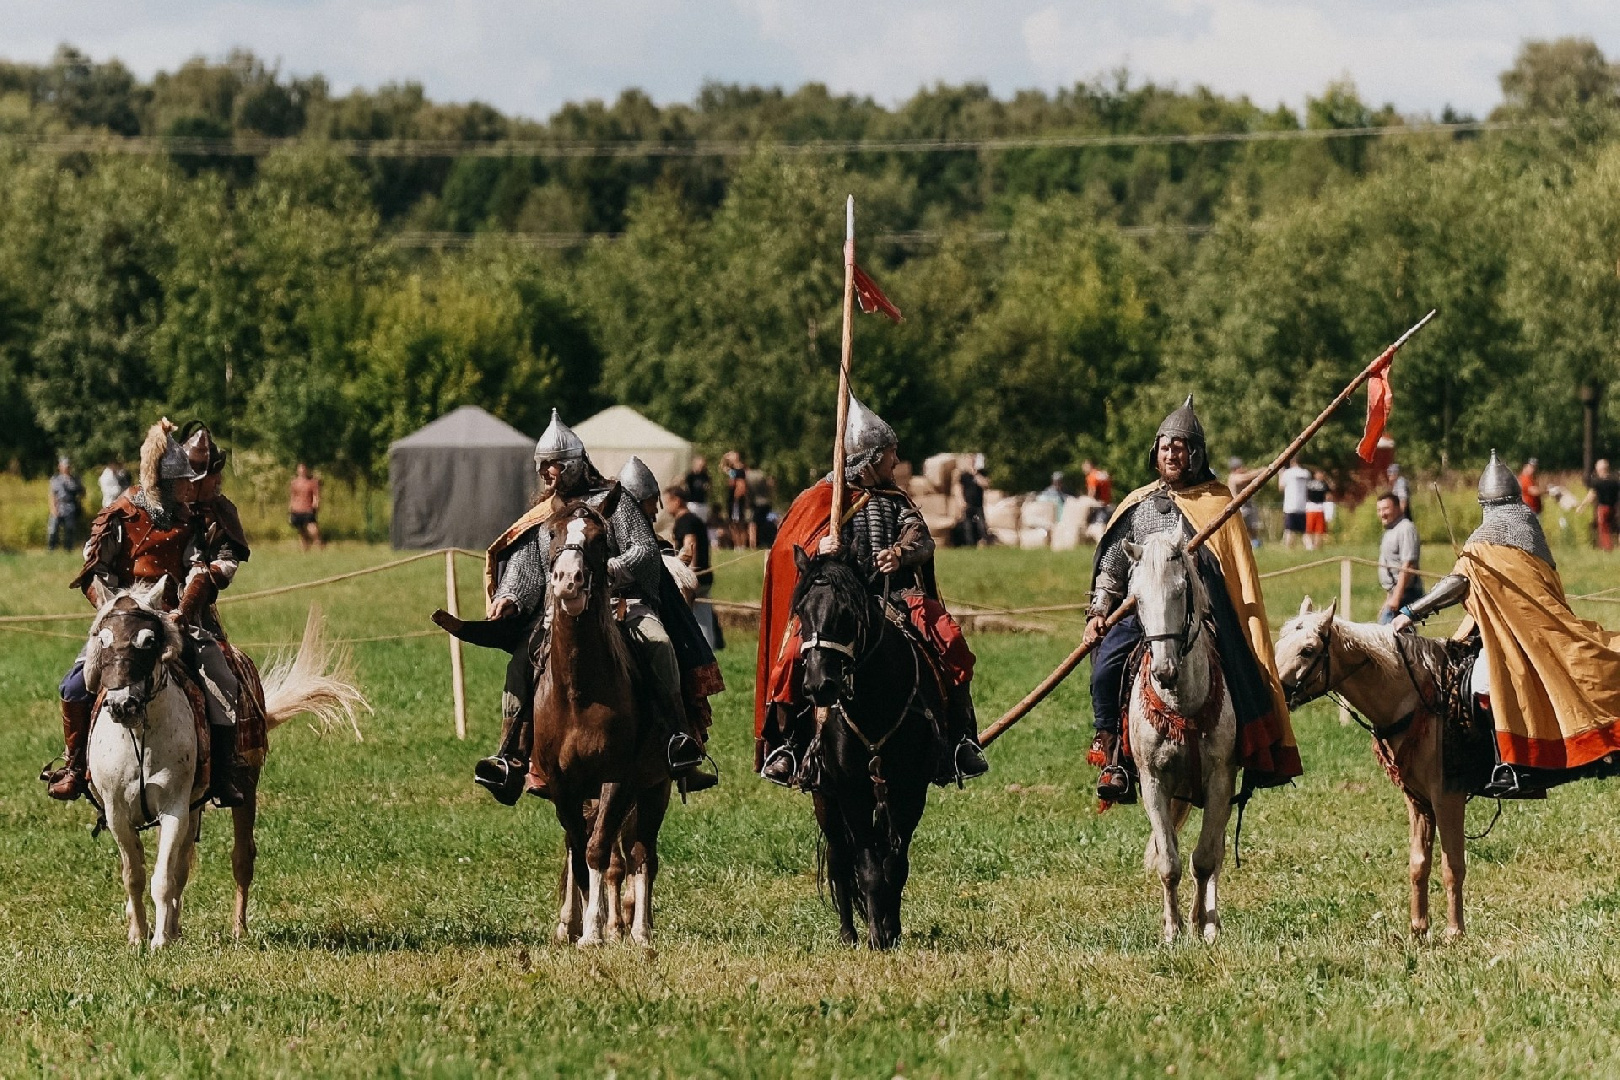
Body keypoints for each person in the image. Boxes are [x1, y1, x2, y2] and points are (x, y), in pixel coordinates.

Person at [472, 412, 720, 802]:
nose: (548, 472)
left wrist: (611, 569)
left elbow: (643, 551)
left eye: (555, 464)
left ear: (573, 464)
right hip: (561, 612)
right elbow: (526, 568)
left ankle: (675, 736)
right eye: (543, 465)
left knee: (659, 643)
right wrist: (510, 596)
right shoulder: (545, 514)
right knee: (521, 662)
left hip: (622, 602)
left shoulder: (613, 500)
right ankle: (510, 755)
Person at [756, 395, 989, 787]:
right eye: (890, 455)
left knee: (949, 639)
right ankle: (791, 745)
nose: (895, 463)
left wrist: (900, 553)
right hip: (841, 601)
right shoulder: (824, 501)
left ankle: (960, 739)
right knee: (794, 653)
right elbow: (788, 550)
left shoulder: (896, 501)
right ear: (871, 458)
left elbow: (922, 537)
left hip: (896, 598)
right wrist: (821, 550)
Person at [1083, 395, 1301, 802]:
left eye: (1179, 448)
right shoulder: (1139, 505)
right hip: (1143, 613)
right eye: (1166, 447)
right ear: (1155, 452)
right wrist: (1099, 611)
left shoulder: (1217, 503)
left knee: (1238, 664)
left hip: (1200, 611)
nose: (1172, 454)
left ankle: (1247, 749)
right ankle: (1114, 755)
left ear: (1195, 455)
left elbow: (1228, 569)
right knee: (1107, 665)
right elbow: (1112, 566)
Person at [43, 419, 250, 808]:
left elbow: (198, 569)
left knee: (222, 680)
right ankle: (74, 768)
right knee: (73, 686)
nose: (193, 487)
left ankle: (221, 776)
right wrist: (116, 609)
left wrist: (182, 614)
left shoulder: (187, 520)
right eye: (185, 481)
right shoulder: (119, 514)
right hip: (120, 623)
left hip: (174, 623)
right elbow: (91, 571)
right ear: (164, 484)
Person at [1393, 451, 1620, 795]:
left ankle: (1513, 766)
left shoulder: (1484, 543)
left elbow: (1458, 585)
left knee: (1487, 682)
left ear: (1486, 505)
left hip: (1524, 637)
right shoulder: (1530, 531)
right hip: (1537, 631)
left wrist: (1411, 613)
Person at [666, 485, 722, 650]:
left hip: (694, 578)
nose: (666, 506)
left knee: (687, 620)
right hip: (703, 578)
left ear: (677, 501)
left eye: (668, 502)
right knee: (703, 621)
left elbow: (691, 545)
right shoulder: (693, 519)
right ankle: (707, 654)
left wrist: (689, 574)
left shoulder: (686, 521)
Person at [1375, 491, 1423, 624]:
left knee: (1388, 637)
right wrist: (1389, 598)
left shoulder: (1406, 528)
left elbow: (1408, 565)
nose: (1382, 513)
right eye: (1379, 510)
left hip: (1406, 593)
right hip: (1395, 593)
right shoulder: (1390, 530)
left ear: (1398, 508)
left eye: (1386, 509)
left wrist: (1396, 597)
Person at [1579, 459, 1619, 552]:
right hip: (1614, 508)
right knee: (1614, 528)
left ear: (1599, 469)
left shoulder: (1597, 482)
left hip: (1603, 508)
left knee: (1603, 529)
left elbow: (1591, 495)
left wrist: (1582, 506)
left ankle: (1607, 548)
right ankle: (1616, 546)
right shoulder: (1615, 481)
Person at [47, 458, 85, 552]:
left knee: (69, 529)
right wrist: (53, 508)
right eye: (64, 466)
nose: (66, 468)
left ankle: (68, 549)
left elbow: (82, 492)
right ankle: (51, 549)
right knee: (53, 529)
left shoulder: (75, 479)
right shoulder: (55, 479)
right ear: (60, 467)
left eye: (68, 466)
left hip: (70, 506)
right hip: (59, 505)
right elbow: (52, 494)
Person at [1226, 457, 1263, 549]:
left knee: (1252, 528)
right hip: (1239, 508)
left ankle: (1255, 545)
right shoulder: (1233, 477)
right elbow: (1244, 479)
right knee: (1240, 530)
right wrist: (1260, 471)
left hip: (1247, 507)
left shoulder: (1243, 475)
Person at [1277, 457, 1310, 549]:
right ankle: (1309, 547)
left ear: (1292, 461)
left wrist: (1280, 474)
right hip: (1302, 505)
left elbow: (1281, 487)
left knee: (1289, 530)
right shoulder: (1306, 473)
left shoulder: (1287, 473)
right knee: (1304, 530)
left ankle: (1289, 548)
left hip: (1290, 505)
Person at [288, 463, 322, 551]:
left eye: (303, 469)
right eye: (300, 469)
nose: (302, 471)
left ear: (306, 470)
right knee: (301, 529)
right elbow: (293, 496)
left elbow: (316, 494)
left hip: (308, 508)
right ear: (297, 471)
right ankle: (305, 548)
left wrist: (316, 502)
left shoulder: (312, 482)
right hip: (297, 509)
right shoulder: (294, 482)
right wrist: (291, 506)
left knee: (312, 528)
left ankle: (318, 543)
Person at [721, 451, 751, 549]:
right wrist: (725, 458)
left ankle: (741, 544)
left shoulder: (740, 471)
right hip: (731, 499)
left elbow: (741, 485)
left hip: (737, 499)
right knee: (732, 523)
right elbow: (722, 466)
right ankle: (736, 544)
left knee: (739, 523)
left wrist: (737, 497)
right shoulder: (732, 471)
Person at [959, 463, 989, 546]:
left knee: (981, 524)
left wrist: (976, 475)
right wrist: (961, 501)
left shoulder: (980, 473)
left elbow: (986, 485)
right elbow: (959, 488)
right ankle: (970, 544)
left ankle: (984, 541)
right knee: (968, 525)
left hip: (978, 504)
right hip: (968, 504)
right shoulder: (964, 475)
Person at [1304, 469, 1330, 551]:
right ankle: (1310, 546)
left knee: (1319, 530)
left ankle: (1315, 547)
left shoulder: (1324, 484)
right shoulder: (1311, 483)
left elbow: (1328, 495)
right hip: (1311, 507)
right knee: (1309, 529)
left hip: (1319, 507)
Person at [683, 454, 713, 525]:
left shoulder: (705, 476)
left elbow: (709, 487)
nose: (701, 467)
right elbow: (684, 484)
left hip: (702, 503)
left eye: (703, 465)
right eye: (699, 465)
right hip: (692, 503)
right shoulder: (690, 476)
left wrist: (708, 488)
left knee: (702, 523)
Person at [1084, 459, 1114, 526]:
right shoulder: (1101, 474)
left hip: (1099, 506)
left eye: (1085, 466)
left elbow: (1092, 493)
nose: (1083, 468)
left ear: (1090, 465)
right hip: (1107, 504)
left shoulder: (1092, 476)